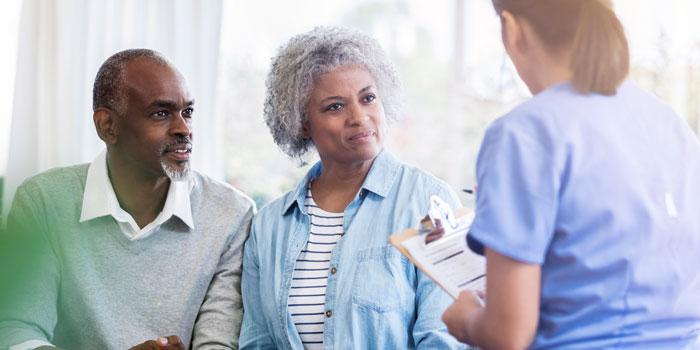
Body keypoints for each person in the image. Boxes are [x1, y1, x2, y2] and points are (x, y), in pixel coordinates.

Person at [441, 0, 700, 348]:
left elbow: (508, 335)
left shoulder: (524, 133)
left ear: (512, 30)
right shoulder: (669, 123)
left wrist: (466, 318)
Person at [0, 49, 256, 350]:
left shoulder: (232, 214)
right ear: (107, 126)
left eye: (187, 112)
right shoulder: (44, 201)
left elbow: (219, 341)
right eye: (160, 113)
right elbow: (17, 329)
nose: (183, 129)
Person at [239, 26, 466, 349]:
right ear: (302, 122)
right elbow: (257, 342)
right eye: (335, 106)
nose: (359, 117)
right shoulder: (269, 226)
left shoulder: (431, 203)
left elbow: (445, 339)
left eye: (368, 98)